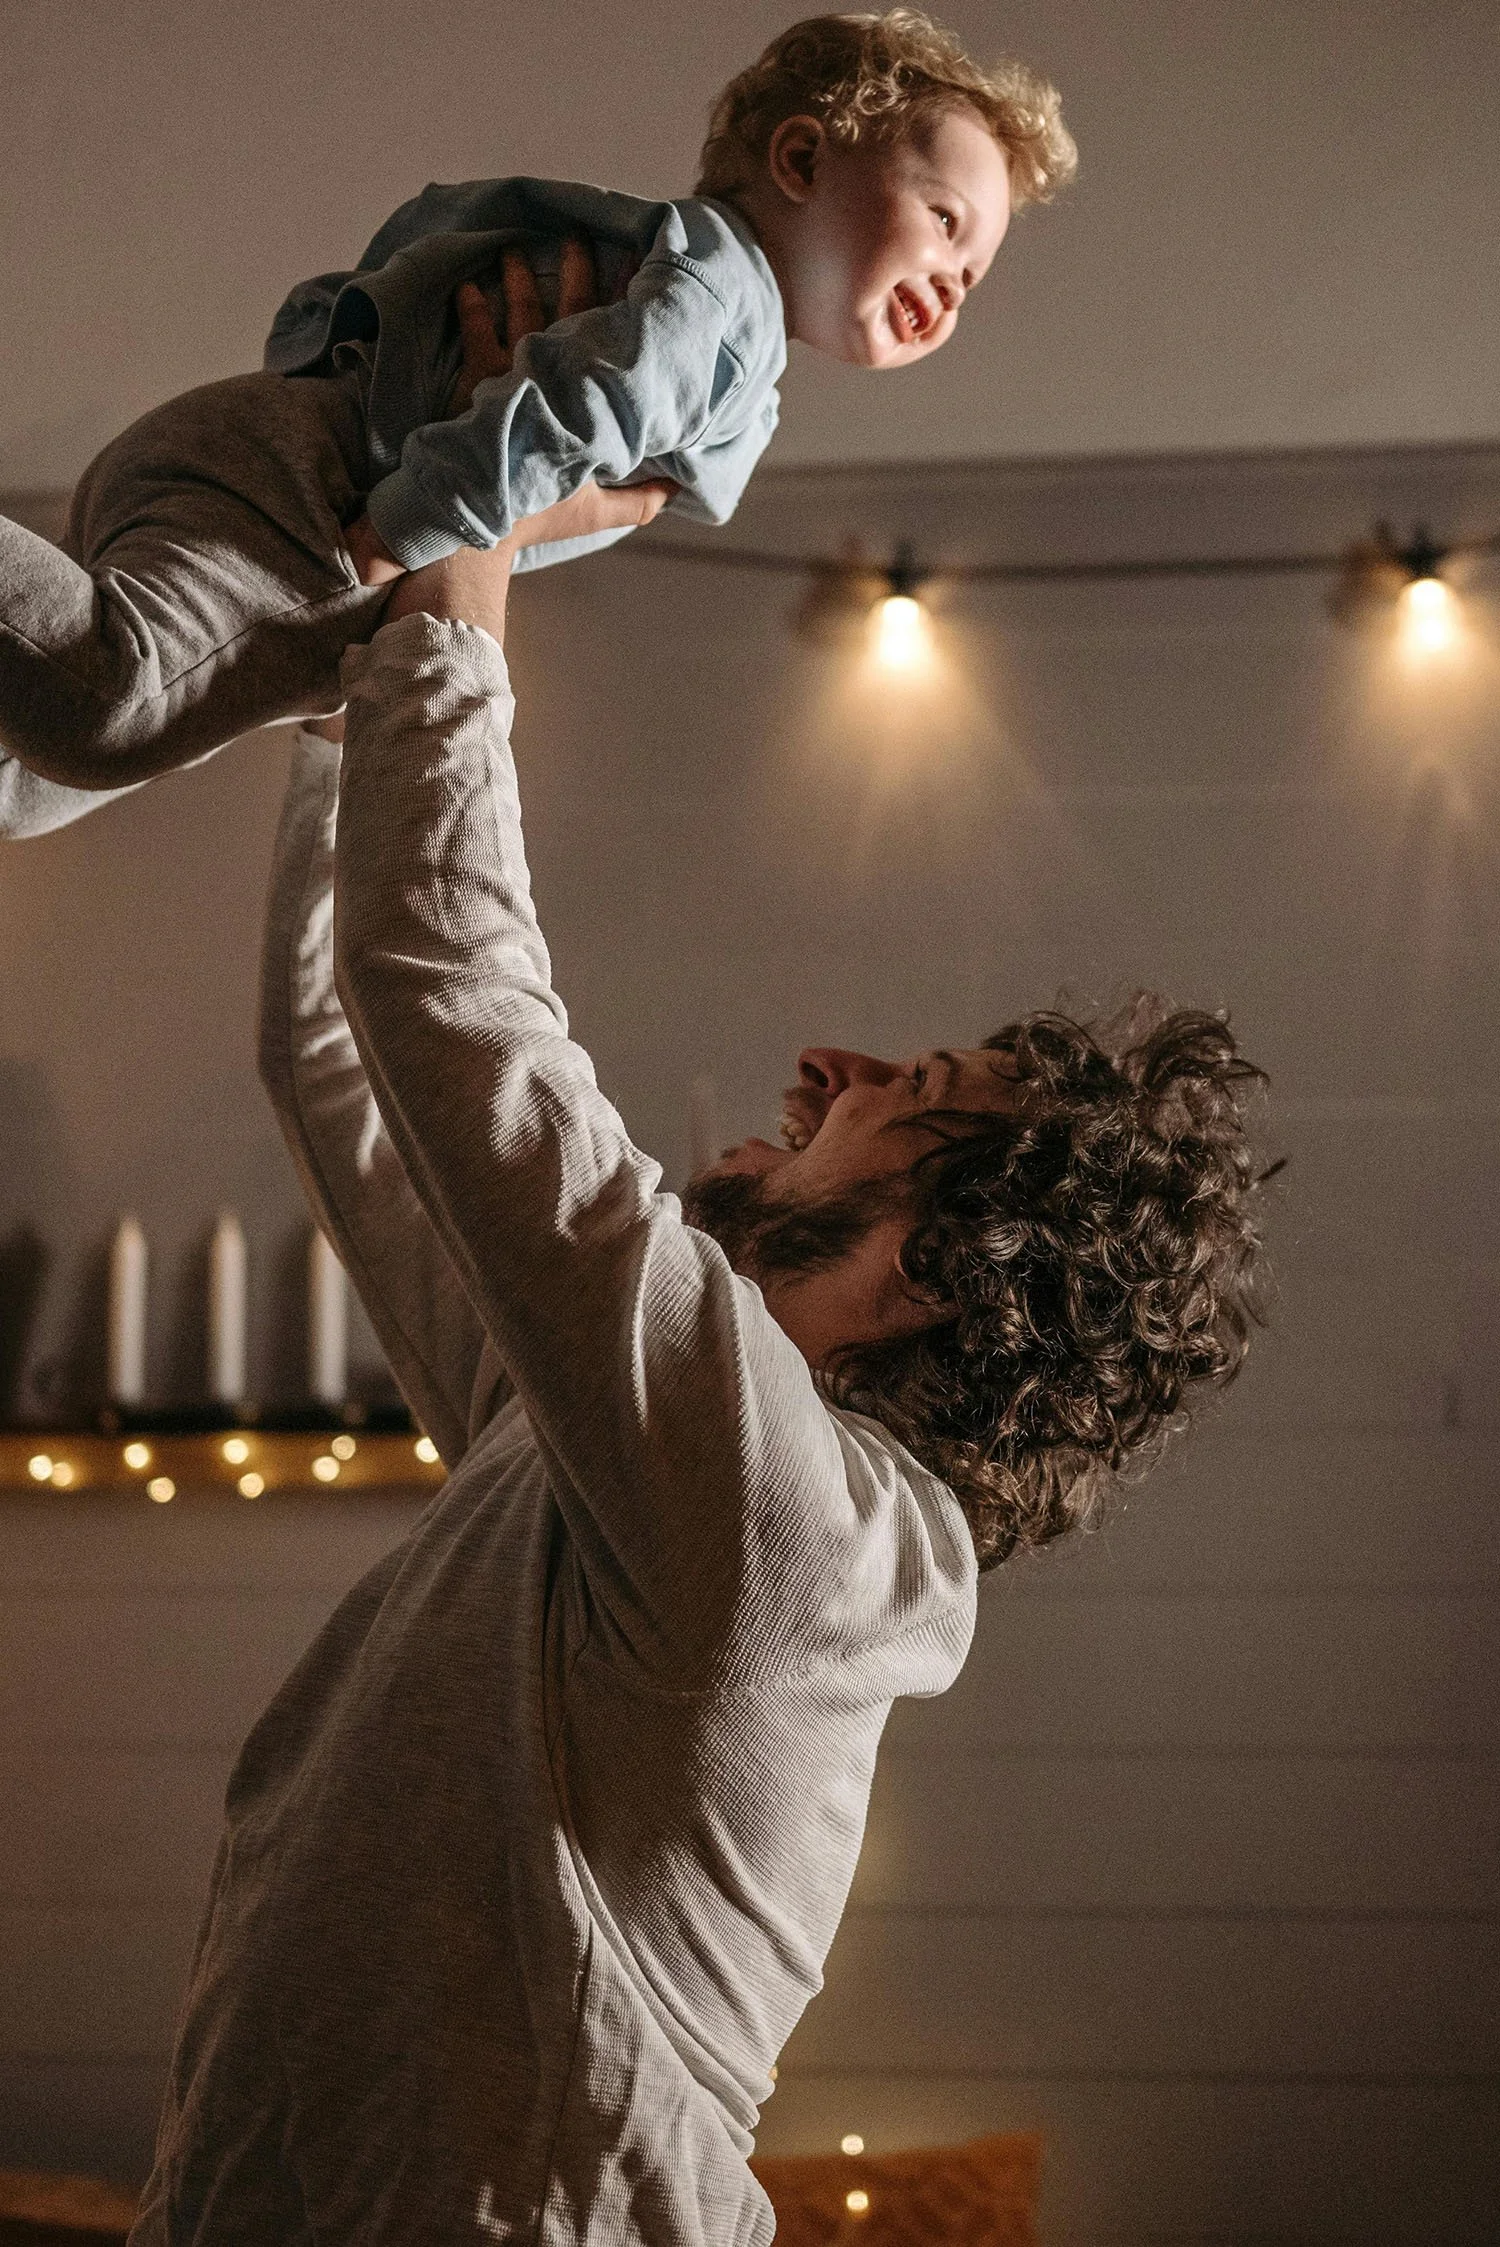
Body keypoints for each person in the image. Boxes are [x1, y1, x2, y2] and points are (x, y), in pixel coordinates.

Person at [128, 476, 1265, 2245]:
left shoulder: (784, 1524)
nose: (826, 1068)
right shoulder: (604, 1460)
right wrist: (355, 701)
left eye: (902, 1092)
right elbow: (341, 1061)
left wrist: (472, 533)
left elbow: (454, 998)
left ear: (934, 1267)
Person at [0, 8, 1076, 840]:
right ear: (800, 162)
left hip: (270, 489)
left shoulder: (727, 336)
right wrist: (403, 531)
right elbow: (570, 404)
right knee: (108, 711)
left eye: (975, 274)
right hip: (310, 499)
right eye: (945, 222)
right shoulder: (719, 307)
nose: (954, 281)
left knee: (27, 782)